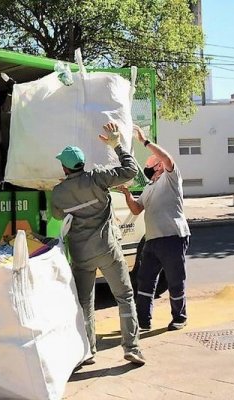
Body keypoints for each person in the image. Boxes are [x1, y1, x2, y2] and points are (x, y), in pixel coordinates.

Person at [51, 122, 145, 366]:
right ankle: (132, 347)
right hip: (108, 249)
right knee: (124, 296)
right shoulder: (98, 178)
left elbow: (59, 216)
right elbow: (131, 170)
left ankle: (88, 351)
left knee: (85, 303)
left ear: (64, 167)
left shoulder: (58, 192)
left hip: (81, 255)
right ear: (82, 163)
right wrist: (116, 145)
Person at [118, 125, 190, 332]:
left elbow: (168, 158)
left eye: (150, 163)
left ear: (159, 165)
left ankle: (179, 317)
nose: (147, 167)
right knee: (145, 281)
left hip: (172, 237)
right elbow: (136, 208)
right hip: (152, 240)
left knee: (176, 279)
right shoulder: (150, 187)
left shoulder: (171, 178)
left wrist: (145, 141)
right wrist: (126, 194)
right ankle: (143, 321)